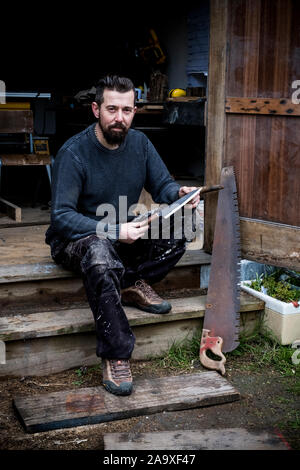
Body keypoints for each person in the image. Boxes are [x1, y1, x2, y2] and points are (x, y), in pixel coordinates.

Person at [45, 75, 200, 396]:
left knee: (180, 227)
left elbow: (162, 186)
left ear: (134, 111)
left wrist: (179, 193)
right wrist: (114, 231)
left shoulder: (140, 144)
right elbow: (61, 218)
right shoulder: (73, 153)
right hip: (75, 239)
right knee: (101, 253)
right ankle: (115, 352)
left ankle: (128, 282)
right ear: (95, 109)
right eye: (112, 109)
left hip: (120, 231)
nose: (120, 118)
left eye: (127, 110)